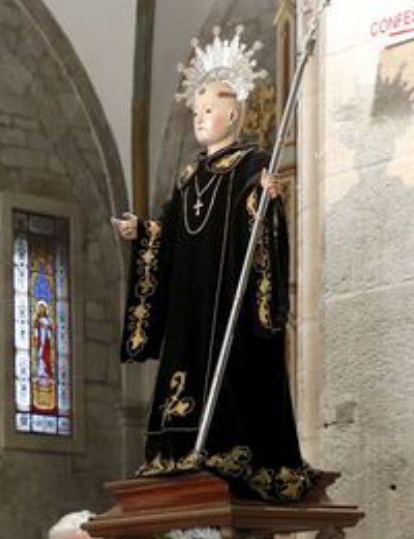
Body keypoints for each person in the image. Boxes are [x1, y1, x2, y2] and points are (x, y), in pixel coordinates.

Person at [113, 28, 312, 502]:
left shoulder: (251, 165)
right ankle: (178, 447)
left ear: (233, 113)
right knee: (186, 368)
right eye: (196, 111)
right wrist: (144, 232)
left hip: (229, 303)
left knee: (231, 376)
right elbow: (173, 234)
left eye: (209, 110)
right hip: (191, 303)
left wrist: (265, 204)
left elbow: (259, 227)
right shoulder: (189, 177)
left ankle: (228, 444)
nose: (200, 119)